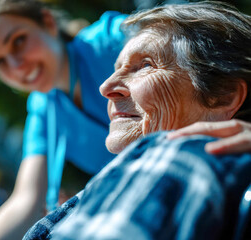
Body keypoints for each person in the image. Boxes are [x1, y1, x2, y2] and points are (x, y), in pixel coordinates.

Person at [23, 1, 251, 239]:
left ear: (224, 96)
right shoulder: (46, 103)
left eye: (145, 65)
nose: (105, 87)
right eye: (116, 68)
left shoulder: (181, 156)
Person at [0, 0, 126, 238]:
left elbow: (193, 37)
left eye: (18, 41)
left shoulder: (112, 41)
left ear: (49, 23)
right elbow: (26, 200)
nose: (16, 66)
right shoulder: (43, 107)